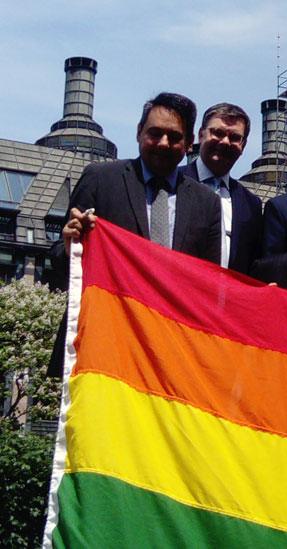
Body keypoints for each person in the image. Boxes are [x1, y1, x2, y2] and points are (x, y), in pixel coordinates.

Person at [51, 92, 221, 377]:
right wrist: (69, 248)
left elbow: (210, 284)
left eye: (174, 136)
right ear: (139, 132)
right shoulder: (100, 179)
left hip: (170, 355)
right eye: (155, 133)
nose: (163, 143)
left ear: (189, 143)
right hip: (101, 347)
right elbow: (56, 261)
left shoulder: (206, 203)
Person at [182, 102, 262, 274]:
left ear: (243, 145)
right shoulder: (173, 182)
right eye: (217, 133)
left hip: (225, 297)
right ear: (200, 135)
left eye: (234, 137)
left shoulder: (250, 203)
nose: (225, 142)